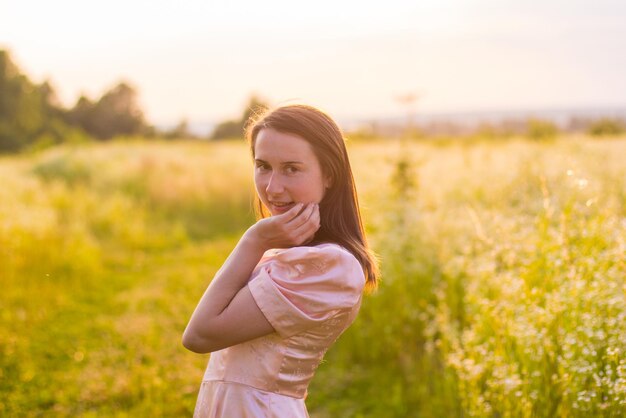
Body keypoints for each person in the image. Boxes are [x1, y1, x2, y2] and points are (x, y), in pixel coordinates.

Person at [182, 104, 378, 417]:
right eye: (263, 166)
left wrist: (253, 240)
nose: (272, 188)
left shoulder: (329, 267)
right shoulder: (288, 254)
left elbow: (199, 334)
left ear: (329, 174)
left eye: (291, 169)